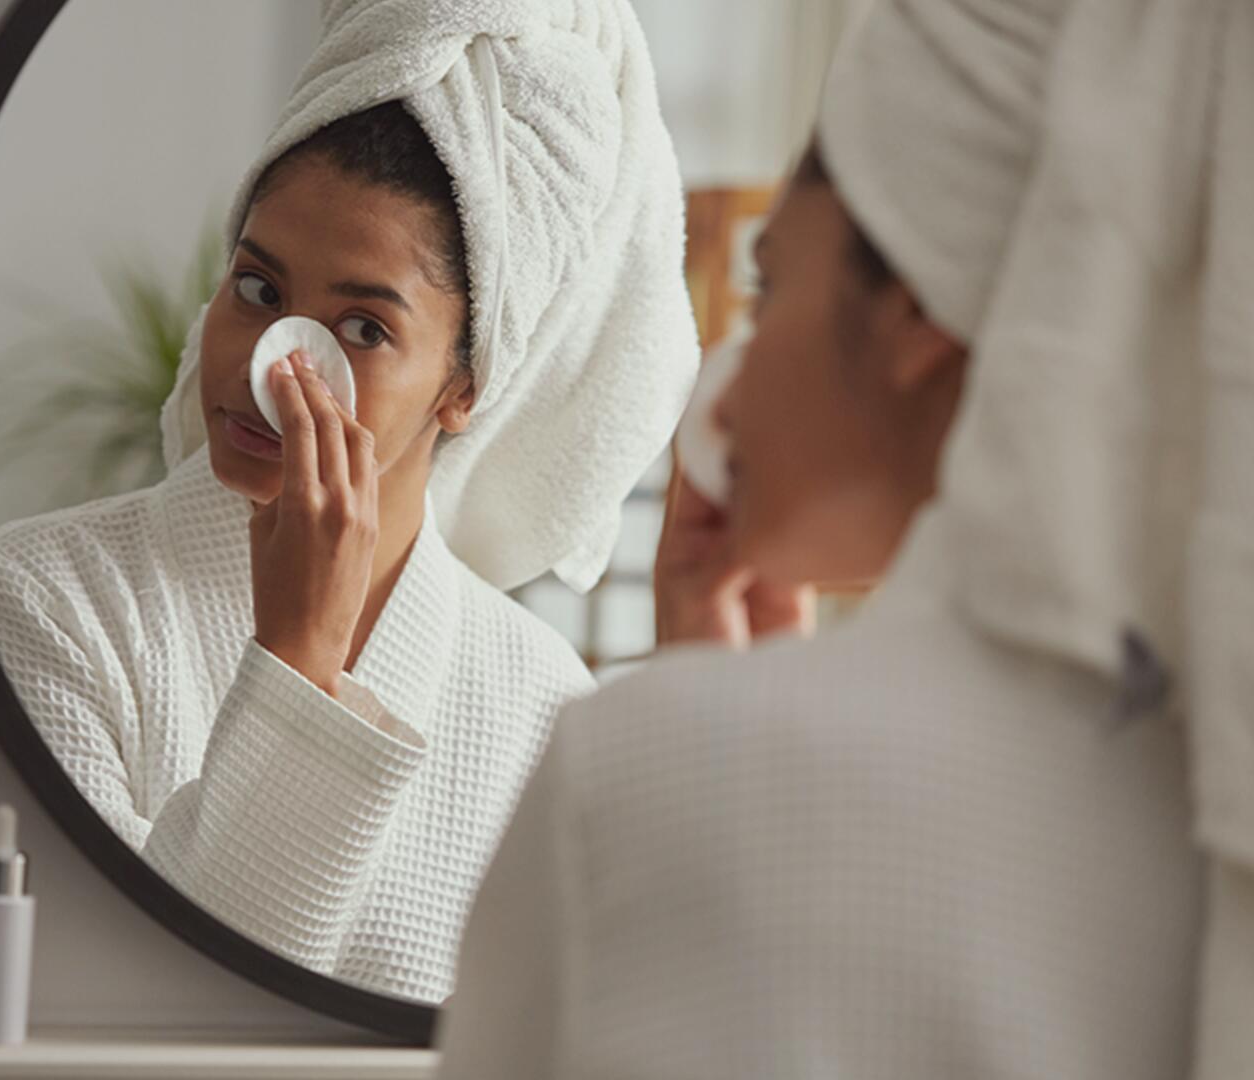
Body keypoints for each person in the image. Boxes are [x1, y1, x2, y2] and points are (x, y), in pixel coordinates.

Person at [436, 0, 1253, 1073]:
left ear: (916, 304)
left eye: (769, 284)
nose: (731, 372)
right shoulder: (1203, 789)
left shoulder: (642, 774)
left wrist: (720, 738)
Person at [0, 0, 699, 1004]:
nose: (275, 368)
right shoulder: (42, 605)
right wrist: (298, 660)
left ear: (466, 384)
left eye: (361, 327)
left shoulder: (543, 708)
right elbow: (136, 1013)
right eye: (258, 292)